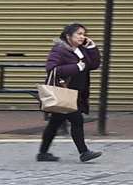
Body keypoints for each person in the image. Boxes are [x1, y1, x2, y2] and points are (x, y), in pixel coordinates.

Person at [39, 22, 103, 163]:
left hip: (77, 92)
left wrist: (92, 48)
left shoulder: (81, 49)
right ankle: (84, 152)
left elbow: (94, 65)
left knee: (55, 123)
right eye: (79, 34)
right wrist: (76, 67)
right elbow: (52, 69)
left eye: (84, 34)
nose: (82, 37)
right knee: (77, 120)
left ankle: (42, 153)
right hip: (65, 92)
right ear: (68, 36)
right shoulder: (59, 50)